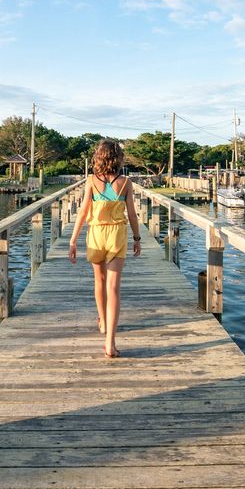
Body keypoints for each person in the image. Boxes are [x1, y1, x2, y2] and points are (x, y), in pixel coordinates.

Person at [68, 139, 141, 358]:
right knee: (113, 288)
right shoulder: (125, 183)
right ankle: (110, 343)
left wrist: (73, 241)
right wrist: (137, 238)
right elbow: (132, 214)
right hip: (117, 235)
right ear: (118, 158)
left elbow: (83, 212)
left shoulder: (92, 181)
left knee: (99, 281)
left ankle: (102, 322)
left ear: (98, 157)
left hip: (96, 234)